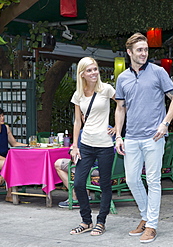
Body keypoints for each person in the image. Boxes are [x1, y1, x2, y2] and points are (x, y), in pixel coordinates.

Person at [114, 33, 173, 243]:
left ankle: (151, 225)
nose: (144, 53)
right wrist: (118, 135)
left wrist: (165, 123)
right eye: (140, 50)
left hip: (154, 136)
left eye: (146, 50)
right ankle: (145, 217)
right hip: (131, 137)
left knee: (153, 181)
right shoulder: (122, 78)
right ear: (129, 52)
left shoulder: (158, 72)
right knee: (132, 180)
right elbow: (120, 109)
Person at [68, 57, 116, 236]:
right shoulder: (78, 94)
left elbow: (122, 106)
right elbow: (77, 122)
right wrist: (75, 145)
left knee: (104, 184)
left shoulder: (107, 89)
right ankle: (86, 220)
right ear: (82, 74)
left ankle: (101, 221)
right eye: (89, 70)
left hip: (104, 144)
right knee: (79, 183)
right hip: (86, 144)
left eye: (95, 69)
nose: (94, 72)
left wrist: (118, 127)